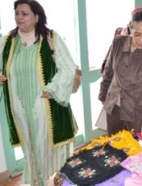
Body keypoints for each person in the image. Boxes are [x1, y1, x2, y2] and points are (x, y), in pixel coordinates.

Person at [0, 0, 78, 185]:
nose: (19, 17)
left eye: (24, 14)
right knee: (30, 148)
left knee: (46, 147)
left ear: (36, 17)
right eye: (17, 13)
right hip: (19, 106)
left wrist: (53, 88)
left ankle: (56, 177)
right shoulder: (8, 42)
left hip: (44, 104)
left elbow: (68, 68)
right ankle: (37, 180)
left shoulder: (51, 38)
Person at [98, 10, 142, 137]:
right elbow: (108, 71)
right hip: (114, 104)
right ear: (130, 29)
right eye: (137, 34)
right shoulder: (118, 42)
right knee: (115, 145)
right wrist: (103, 96)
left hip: (137, 109)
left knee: (139, 148)